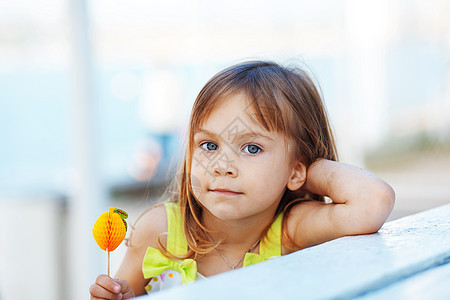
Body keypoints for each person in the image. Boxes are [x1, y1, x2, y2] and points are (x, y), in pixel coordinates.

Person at [89, 61, 395, 299]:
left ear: (295, 171)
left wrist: (303, 170)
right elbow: (120, 293)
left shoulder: (289, 231)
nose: (223, 167)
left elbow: (371, 202)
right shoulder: (161, 232)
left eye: (252, 148)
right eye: (209, 146)